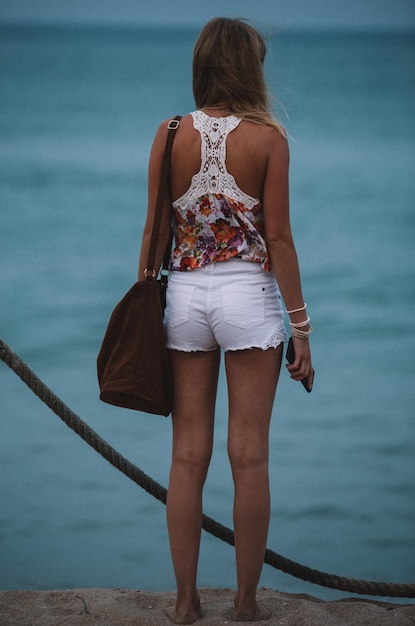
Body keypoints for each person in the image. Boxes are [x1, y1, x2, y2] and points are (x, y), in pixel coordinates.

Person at [138, 17, 314, 624]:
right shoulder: (269, 140)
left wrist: (143, 305)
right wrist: (304, 330)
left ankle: (185, 605)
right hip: (248, 300)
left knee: (187, 457)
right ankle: (244, 605)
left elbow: (155, 231)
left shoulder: (169, 133)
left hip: (184, 300)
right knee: (250, 457)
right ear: (249, 68)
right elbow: (281, 240)